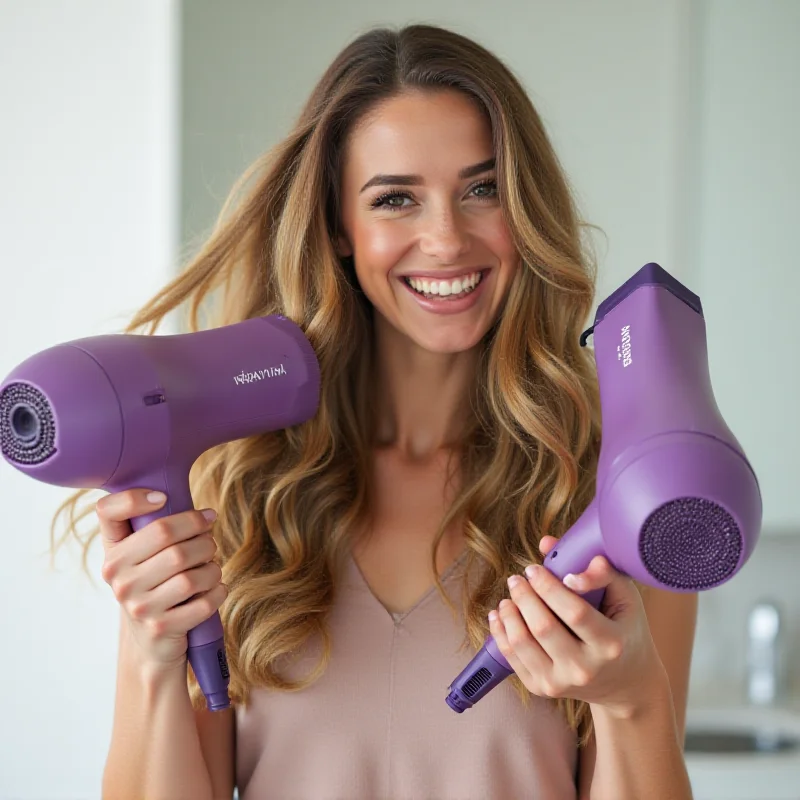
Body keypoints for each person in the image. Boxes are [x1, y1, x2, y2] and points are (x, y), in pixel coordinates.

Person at [55, 23, 698, 800]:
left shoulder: (623, 491)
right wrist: (152, 651)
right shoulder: (234, 493)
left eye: (481, 189)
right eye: (396, 199)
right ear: (338, 228)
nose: (446, 238)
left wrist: (631, 701)